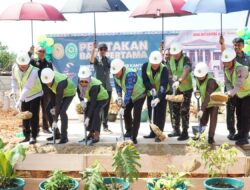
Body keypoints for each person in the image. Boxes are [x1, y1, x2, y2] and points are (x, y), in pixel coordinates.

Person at [220, 36, 250, 140]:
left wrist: (231, 92)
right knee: (235, 113)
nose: (226, 64)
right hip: (234, 92)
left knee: (245, 114)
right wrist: (229, 91)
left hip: (245, 91)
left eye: (239, 45)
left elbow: (239, 83)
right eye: (235, 45)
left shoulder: (244, 62)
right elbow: (228, 81)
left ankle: (244, 135)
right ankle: (236, 132)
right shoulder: (228, 61)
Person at [111, 59, 146, 144]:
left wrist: (123, 106)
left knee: (136, 114)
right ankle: (128, 131)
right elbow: (117, 86)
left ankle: (133, 137)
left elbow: (129, 91)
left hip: (139, 94)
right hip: (130, 95)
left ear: (122, 68)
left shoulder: (130, 74)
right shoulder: (115, 73)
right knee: (126, 112)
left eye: (117, 72)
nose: (116, 74)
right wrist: (119, 97)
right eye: (115, 72)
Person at [11, 51, 43, 144]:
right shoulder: (14, 68)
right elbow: (13, 79)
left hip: (35, 94)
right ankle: (26, 136)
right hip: (24, 95)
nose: (24, 66)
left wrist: (19, 100)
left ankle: (34, 136)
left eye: (25, 64)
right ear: (17, 63)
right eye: (21, 65)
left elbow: (27, 87)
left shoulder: (33, 71)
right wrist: (13, 90)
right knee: (24, 116)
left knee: (33, 116)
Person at [40, 68, 76, 144]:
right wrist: (53, 107)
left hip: (69, 93)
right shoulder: (46, 79)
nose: (48, 84)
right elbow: (52, 95)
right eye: (46, 83)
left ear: (52, 78)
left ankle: (64, 137)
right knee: (48, 110)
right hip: (58, 93)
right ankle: (56, 134)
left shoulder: (60, 83)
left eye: (49, 82)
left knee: (62, 112)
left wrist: (55, 120)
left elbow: (58, 102)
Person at [168, 42, 193, 141]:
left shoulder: (186, 59)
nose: (175, 55)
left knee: (184, 110)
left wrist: (180, 80)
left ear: (181, 51)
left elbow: (185, 71)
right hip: (176, 88)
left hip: (186, 88)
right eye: (173, 54)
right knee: (175, 109)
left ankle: (185, 132)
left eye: (177, 53)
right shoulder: (171, 60)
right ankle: (176, 129)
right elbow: (170, 73)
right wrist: (173, 81)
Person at [142, 51, 169, 142]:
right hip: (151, 93)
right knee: (151, 112)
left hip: (161, 94)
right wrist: (150, 88)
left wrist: (158, 97)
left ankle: (159, 134)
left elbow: (163, 85)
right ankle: (152, 132)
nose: (154, 65)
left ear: (160, 62)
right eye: (153, 63)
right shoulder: (145, 66)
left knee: (160, 114)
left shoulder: (164, 69)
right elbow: (145, 80)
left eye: (156, 64)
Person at [77, 66, 109, 143]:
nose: (83, 83)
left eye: (86, 81)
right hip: (92, 99)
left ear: (89, 79)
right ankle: (90, 133)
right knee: (87, 111)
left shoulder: (94, 86)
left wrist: (88, 118)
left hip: (102, 98)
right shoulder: (79, 83)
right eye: (82, 81)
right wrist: (81, 101)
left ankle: (97, 135)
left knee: (96, 113)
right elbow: (78, 91)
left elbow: (93, 104)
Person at [194, 62, 220, 144]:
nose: (200, 77)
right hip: (205, 101)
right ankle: (199, 134)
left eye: (202, 75)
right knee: (203, 119)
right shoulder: (197, 77)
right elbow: (198, 87)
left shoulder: (211, 80)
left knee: (213, 119)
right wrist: (197, 91)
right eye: (199, 76)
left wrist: (202, 109)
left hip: (214, 101)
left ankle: (211, 137)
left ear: (206, 73)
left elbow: (208, 96)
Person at [29, 46, 53, 134]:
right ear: (36, 52)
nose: (42, 53)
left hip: (45, 90)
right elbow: (24, 64)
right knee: (34, 110)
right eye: (40, 51)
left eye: (43, 51)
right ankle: (35, 129)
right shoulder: (33, 62)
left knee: (46, 109)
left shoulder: (48, 63)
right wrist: (29, 52)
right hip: (35, 90)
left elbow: (51, 77)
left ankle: (45, 127)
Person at [90, 42, 112, 133]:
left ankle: (105, 126)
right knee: (97, 108)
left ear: (106, 51)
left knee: (106, 108)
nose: (103, 51)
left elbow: (113, 66)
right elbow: (91, 61)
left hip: (108, 87)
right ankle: (95, 127)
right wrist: (93, 49)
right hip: (98, 88)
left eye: (104, 49)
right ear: (98, 50)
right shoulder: (96, 59)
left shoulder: (108, 60)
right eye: (101, 49)